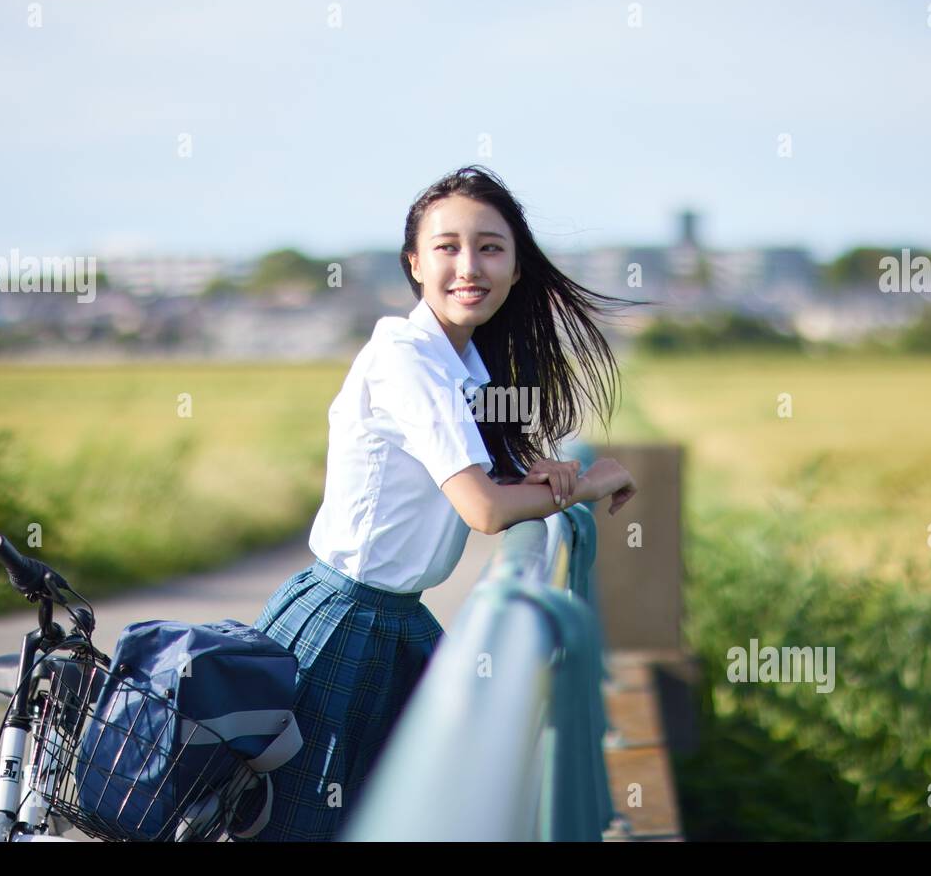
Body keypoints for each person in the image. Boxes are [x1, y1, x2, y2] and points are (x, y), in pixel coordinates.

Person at [248, 165, 640, 840]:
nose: (470, 265)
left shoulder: (463, 368)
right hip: (345, 620)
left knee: (432, 808)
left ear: (517, 268)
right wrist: (588, 483)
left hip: (396, 622)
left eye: (490, 247)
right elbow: (483, 510)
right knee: (303, 828)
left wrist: (544, 478)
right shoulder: (406, 358)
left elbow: (491, 485)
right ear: (414, 263)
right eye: (447, 246)